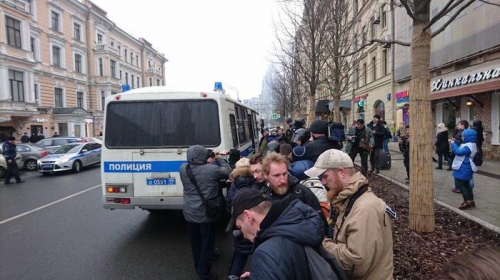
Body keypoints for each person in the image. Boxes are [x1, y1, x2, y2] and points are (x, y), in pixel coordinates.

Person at [304, 149, 394, 280]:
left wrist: (322, 244)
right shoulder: (352, 200)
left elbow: (355, 263)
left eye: (325, 176)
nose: (323, 182)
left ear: (341, 172)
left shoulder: (364, 208)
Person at [226, 189, 324, 280]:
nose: (243, 235)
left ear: (248, 216)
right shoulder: (297, 229)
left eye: (240, 227)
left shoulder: (265, 254)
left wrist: (263, 271)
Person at [179, 145, 231, 280]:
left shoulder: (183, 168)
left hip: (190, 213)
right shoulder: (211, 170)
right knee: (207, 243)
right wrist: (219, 158)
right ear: (204, 156)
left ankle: (198, 266)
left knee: (196, 243)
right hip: (207, 213)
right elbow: (227, 172)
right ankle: (204, 274)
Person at [451, 128, 478, 210]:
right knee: (466, 185)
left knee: (460, 185)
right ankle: (471, 201)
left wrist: (453, 144)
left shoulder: (468, 146)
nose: (462, 137)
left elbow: (458, 152)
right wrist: (455, 141)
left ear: (468, 137)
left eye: (463, 136)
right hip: (464, 167)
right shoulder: (470, 144)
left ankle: (467, 201)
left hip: (463, 167)